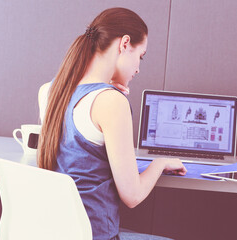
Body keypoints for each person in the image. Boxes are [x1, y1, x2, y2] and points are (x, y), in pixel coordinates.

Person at [37, 7, 187, 240]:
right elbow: (133, 195)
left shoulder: (50, 91)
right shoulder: (110, 102)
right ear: (124, 43)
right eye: (141, 56)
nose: (138, 68)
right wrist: (159, 162)